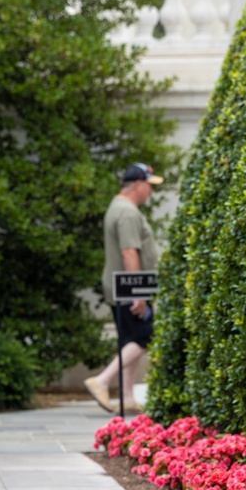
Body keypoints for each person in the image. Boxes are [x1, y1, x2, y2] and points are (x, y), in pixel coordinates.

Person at [84, 162, 162, 415]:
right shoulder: (127, 212)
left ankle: (127, 397)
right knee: (144, 336)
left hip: (121, 287)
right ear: (137, 184)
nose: (150, 191)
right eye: (148, 185)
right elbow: (129, 252)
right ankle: (102, 380)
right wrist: (137, 293)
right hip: (129, 288)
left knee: (130, 338)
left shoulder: (117, 206)